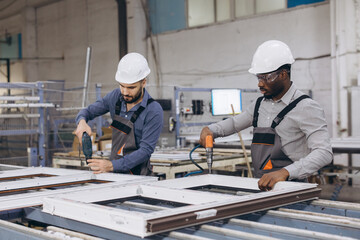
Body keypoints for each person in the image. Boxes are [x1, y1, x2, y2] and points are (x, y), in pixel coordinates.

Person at [199, 40, 333, 190]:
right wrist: (211, 130)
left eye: (266, 78)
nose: (260, 84)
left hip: (293, 188)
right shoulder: (259, 105)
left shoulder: (306, 107)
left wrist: (286, 172)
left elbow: (324, 152)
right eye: (258, 78)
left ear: (283, 74)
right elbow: (235, 123)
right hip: (262, 186)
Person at [75, 52, 163, 175]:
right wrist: (82, 122)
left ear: (143, 83)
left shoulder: (153, 110)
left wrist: (111, 165)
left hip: (138, 176)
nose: (125, 92)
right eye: (122, 86)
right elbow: (87, 111)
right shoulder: (115, 97)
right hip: (114, 173)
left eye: (131, 87)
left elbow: (145, 150)